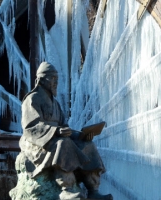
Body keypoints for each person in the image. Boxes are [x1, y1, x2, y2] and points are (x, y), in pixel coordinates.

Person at [19, 62, 113, 200]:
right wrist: (56, 131)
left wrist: (81, 136)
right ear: (42, 80)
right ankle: (66, 188)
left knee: (88, 146)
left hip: (55, 139)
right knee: (63, 143)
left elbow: (64, 127)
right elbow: (30, 127)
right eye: (53, 79)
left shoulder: (55, 103)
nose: (56, 82)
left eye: (57, 79)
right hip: (38, 143)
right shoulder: (32, 99)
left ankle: (93, 190)